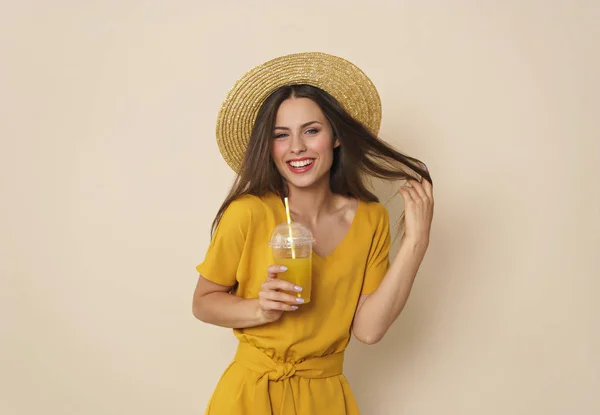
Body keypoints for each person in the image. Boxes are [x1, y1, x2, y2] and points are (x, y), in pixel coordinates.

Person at [192, 52, 434, 415]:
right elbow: (203, 302)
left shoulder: (371, 220)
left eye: (311, 130)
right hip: (249, 395)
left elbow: (368, 330)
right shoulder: (248, 213)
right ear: (269, 146)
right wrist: (259, 308)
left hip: (325, 399)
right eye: (280, 135)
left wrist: (416, 243)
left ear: (335, 136)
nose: (297, 148)